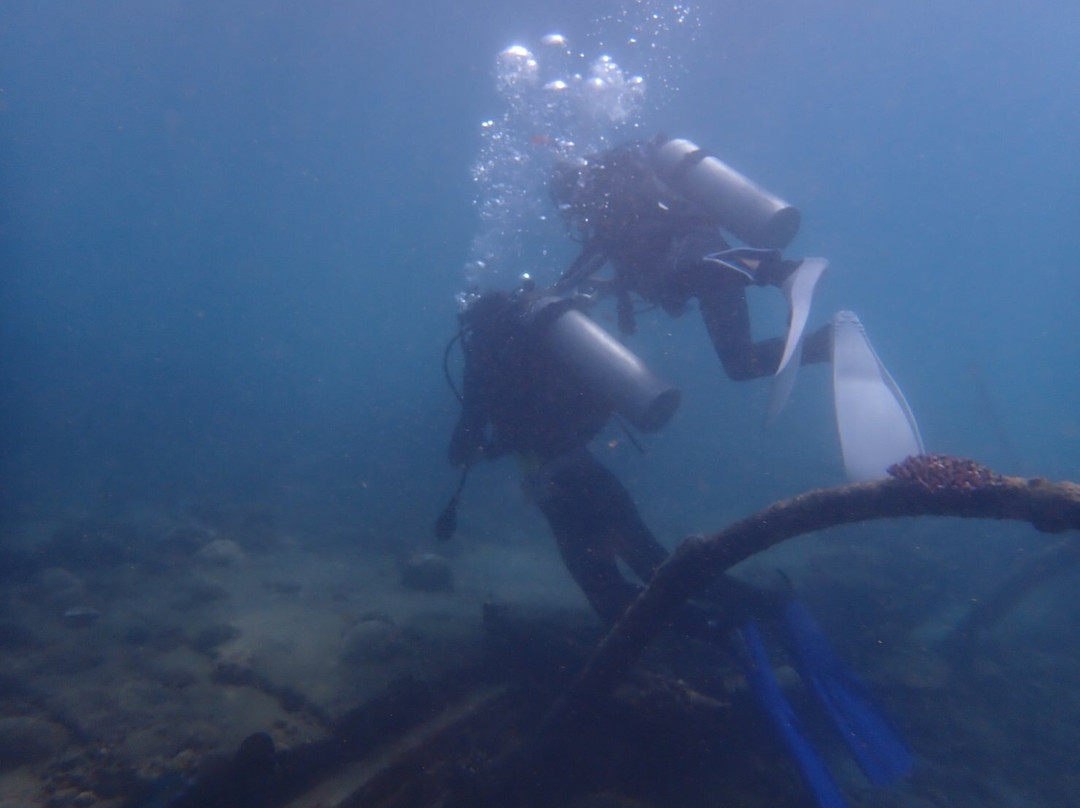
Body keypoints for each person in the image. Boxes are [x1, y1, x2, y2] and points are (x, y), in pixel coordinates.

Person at [439, 284, 913, 807]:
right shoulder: (543, 343)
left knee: (609, 596)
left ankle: (724, 631)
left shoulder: (485, 361)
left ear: (473, 329)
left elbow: (462, 446)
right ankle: (767, 606)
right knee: (656, 563)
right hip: (594, 478)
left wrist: (486, 445)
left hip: (563, 493)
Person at [549, 134, 830, 382]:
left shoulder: (610, 193)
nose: (575, 217)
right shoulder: (613, 215)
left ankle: (784, 271)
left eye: (569, 207)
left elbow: (601, 250)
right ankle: (825, 344)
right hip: (710, 275)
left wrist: (554, 291)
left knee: (683, 275)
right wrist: (609, 286)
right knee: (740, 365)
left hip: (695, 249)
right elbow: (634, 262)